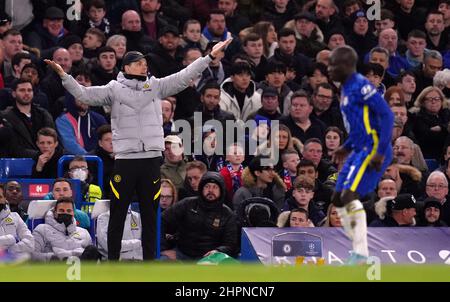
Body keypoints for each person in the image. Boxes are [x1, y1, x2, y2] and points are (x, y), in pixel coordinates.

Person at [44, 40, 231, 261]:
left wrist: (209, 57)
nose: (144, 66)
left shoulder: (156, 86)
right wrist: (64, 76)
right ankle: (113, 264)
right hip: (125, 160)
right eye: (139, 63)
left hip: (151, 160)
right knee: (117, 214)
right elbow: (84, 95)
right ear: (126, 67)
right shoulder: (113, 89)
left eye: (145, 62)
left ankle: (149, 263)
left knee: (151, 216)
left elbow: (184, 76)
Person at [329, 46, 394, 264]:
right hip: (358, 146)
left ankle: (360, 253)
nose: (330, 69)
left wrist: (380, 151)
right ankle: (358, 250)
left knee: (349, 196)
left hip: (373, 147)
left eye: (334, 65)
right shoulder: (346, 90)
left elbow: (386, 115)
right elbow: (359, 126)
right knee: (338, 198)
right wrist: (345, 147)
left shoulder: (361, 85)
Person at [161, 172, 238, 260]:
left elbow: (231, 244)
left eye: (215, 187)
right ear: (201, 188)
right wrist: (163, 249)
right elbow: (161, 221)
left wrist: (218, 251)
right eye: (207, 186)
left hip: (209, 259)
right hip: (181, 253)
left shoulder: (227, 214)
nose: (210, 191)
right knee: (162, 261)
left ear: (221, 191)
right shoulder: (187, 204)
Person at [32, 197, 94, 261]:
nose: (65, 213)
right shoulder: (42, 230)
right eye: (61, 210)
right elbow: (33, 255)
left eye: (69, 211)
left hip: (82, 268)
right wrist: (52, 258)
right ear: (55, 212)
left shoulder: (84, 232)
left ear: (73, 213)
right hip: (55, 268)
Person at [0, 183, 34, 257]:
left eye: (0, 197)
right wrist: (11, 239)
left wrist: (9, 251)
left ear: (5, 199)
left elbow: (30, 244)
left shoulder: (15, 217)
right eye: (10, 189)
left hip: (14, 264)